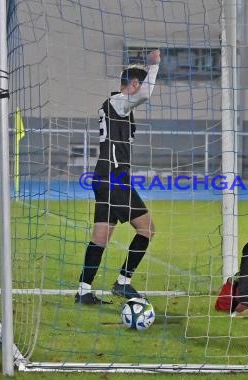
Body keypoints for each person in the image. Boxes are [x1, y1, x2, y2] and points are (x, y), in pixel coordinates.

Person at [75, 50, 161, 304]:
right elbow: (145, 93)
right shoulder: (118, 102)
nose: (143, 89)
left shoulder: (120, 109)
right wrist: (154, 66)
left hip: (106, 177)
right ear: (133, 84)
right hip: (114, 179)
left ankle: (83, 291)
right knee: (147, 230)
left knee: (101, 237)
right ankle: (123, 282)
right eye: (141, 83)